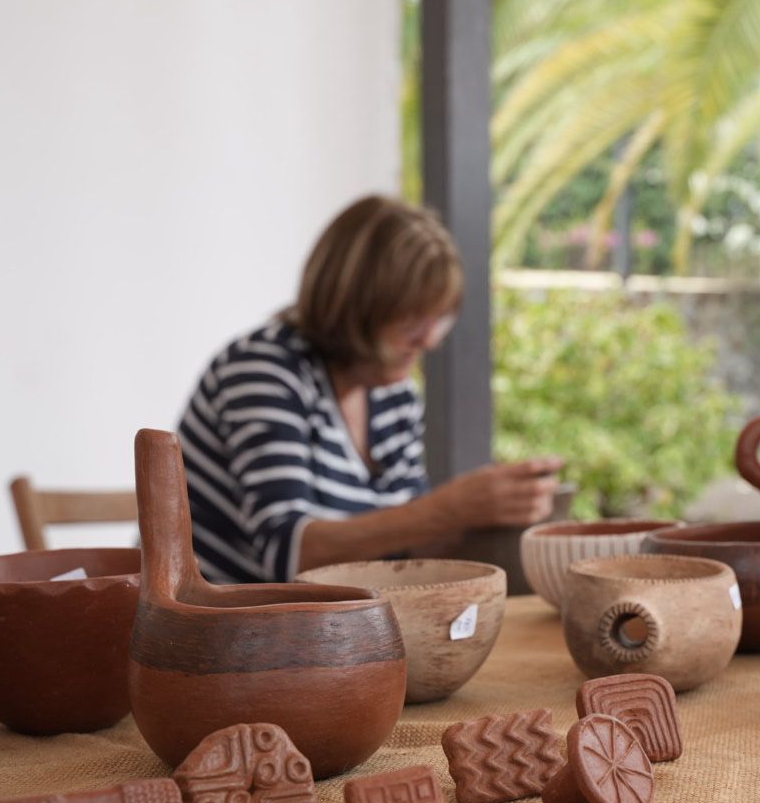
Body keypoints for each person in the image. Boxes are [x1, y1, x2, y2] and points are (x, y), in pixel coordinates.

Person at [177, 195, 562, 584]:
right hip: (221, 633)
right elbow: (287, 554)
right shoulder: (264, 369)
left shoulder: (390, 394)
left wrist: (493, 511)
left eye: (439, 319)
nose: (429, 340)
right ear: (354, 306)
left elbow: (406, 544)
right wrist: (451, 509)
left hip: (325, 632)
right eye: (413, 320)